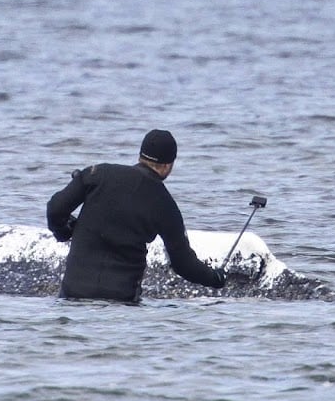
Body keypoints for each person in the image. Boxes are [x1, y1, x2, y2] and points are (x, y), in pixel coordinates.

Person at [46, 128, 225, 303]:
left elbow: (55, 209)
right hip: (121, 304)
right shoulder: (164, 204)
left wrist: (63, 231)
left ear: (140, 155)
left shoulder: (97, 174)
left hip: (73, 296)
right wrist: (215, 278)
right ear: (168, 166)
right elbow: (183, 263)